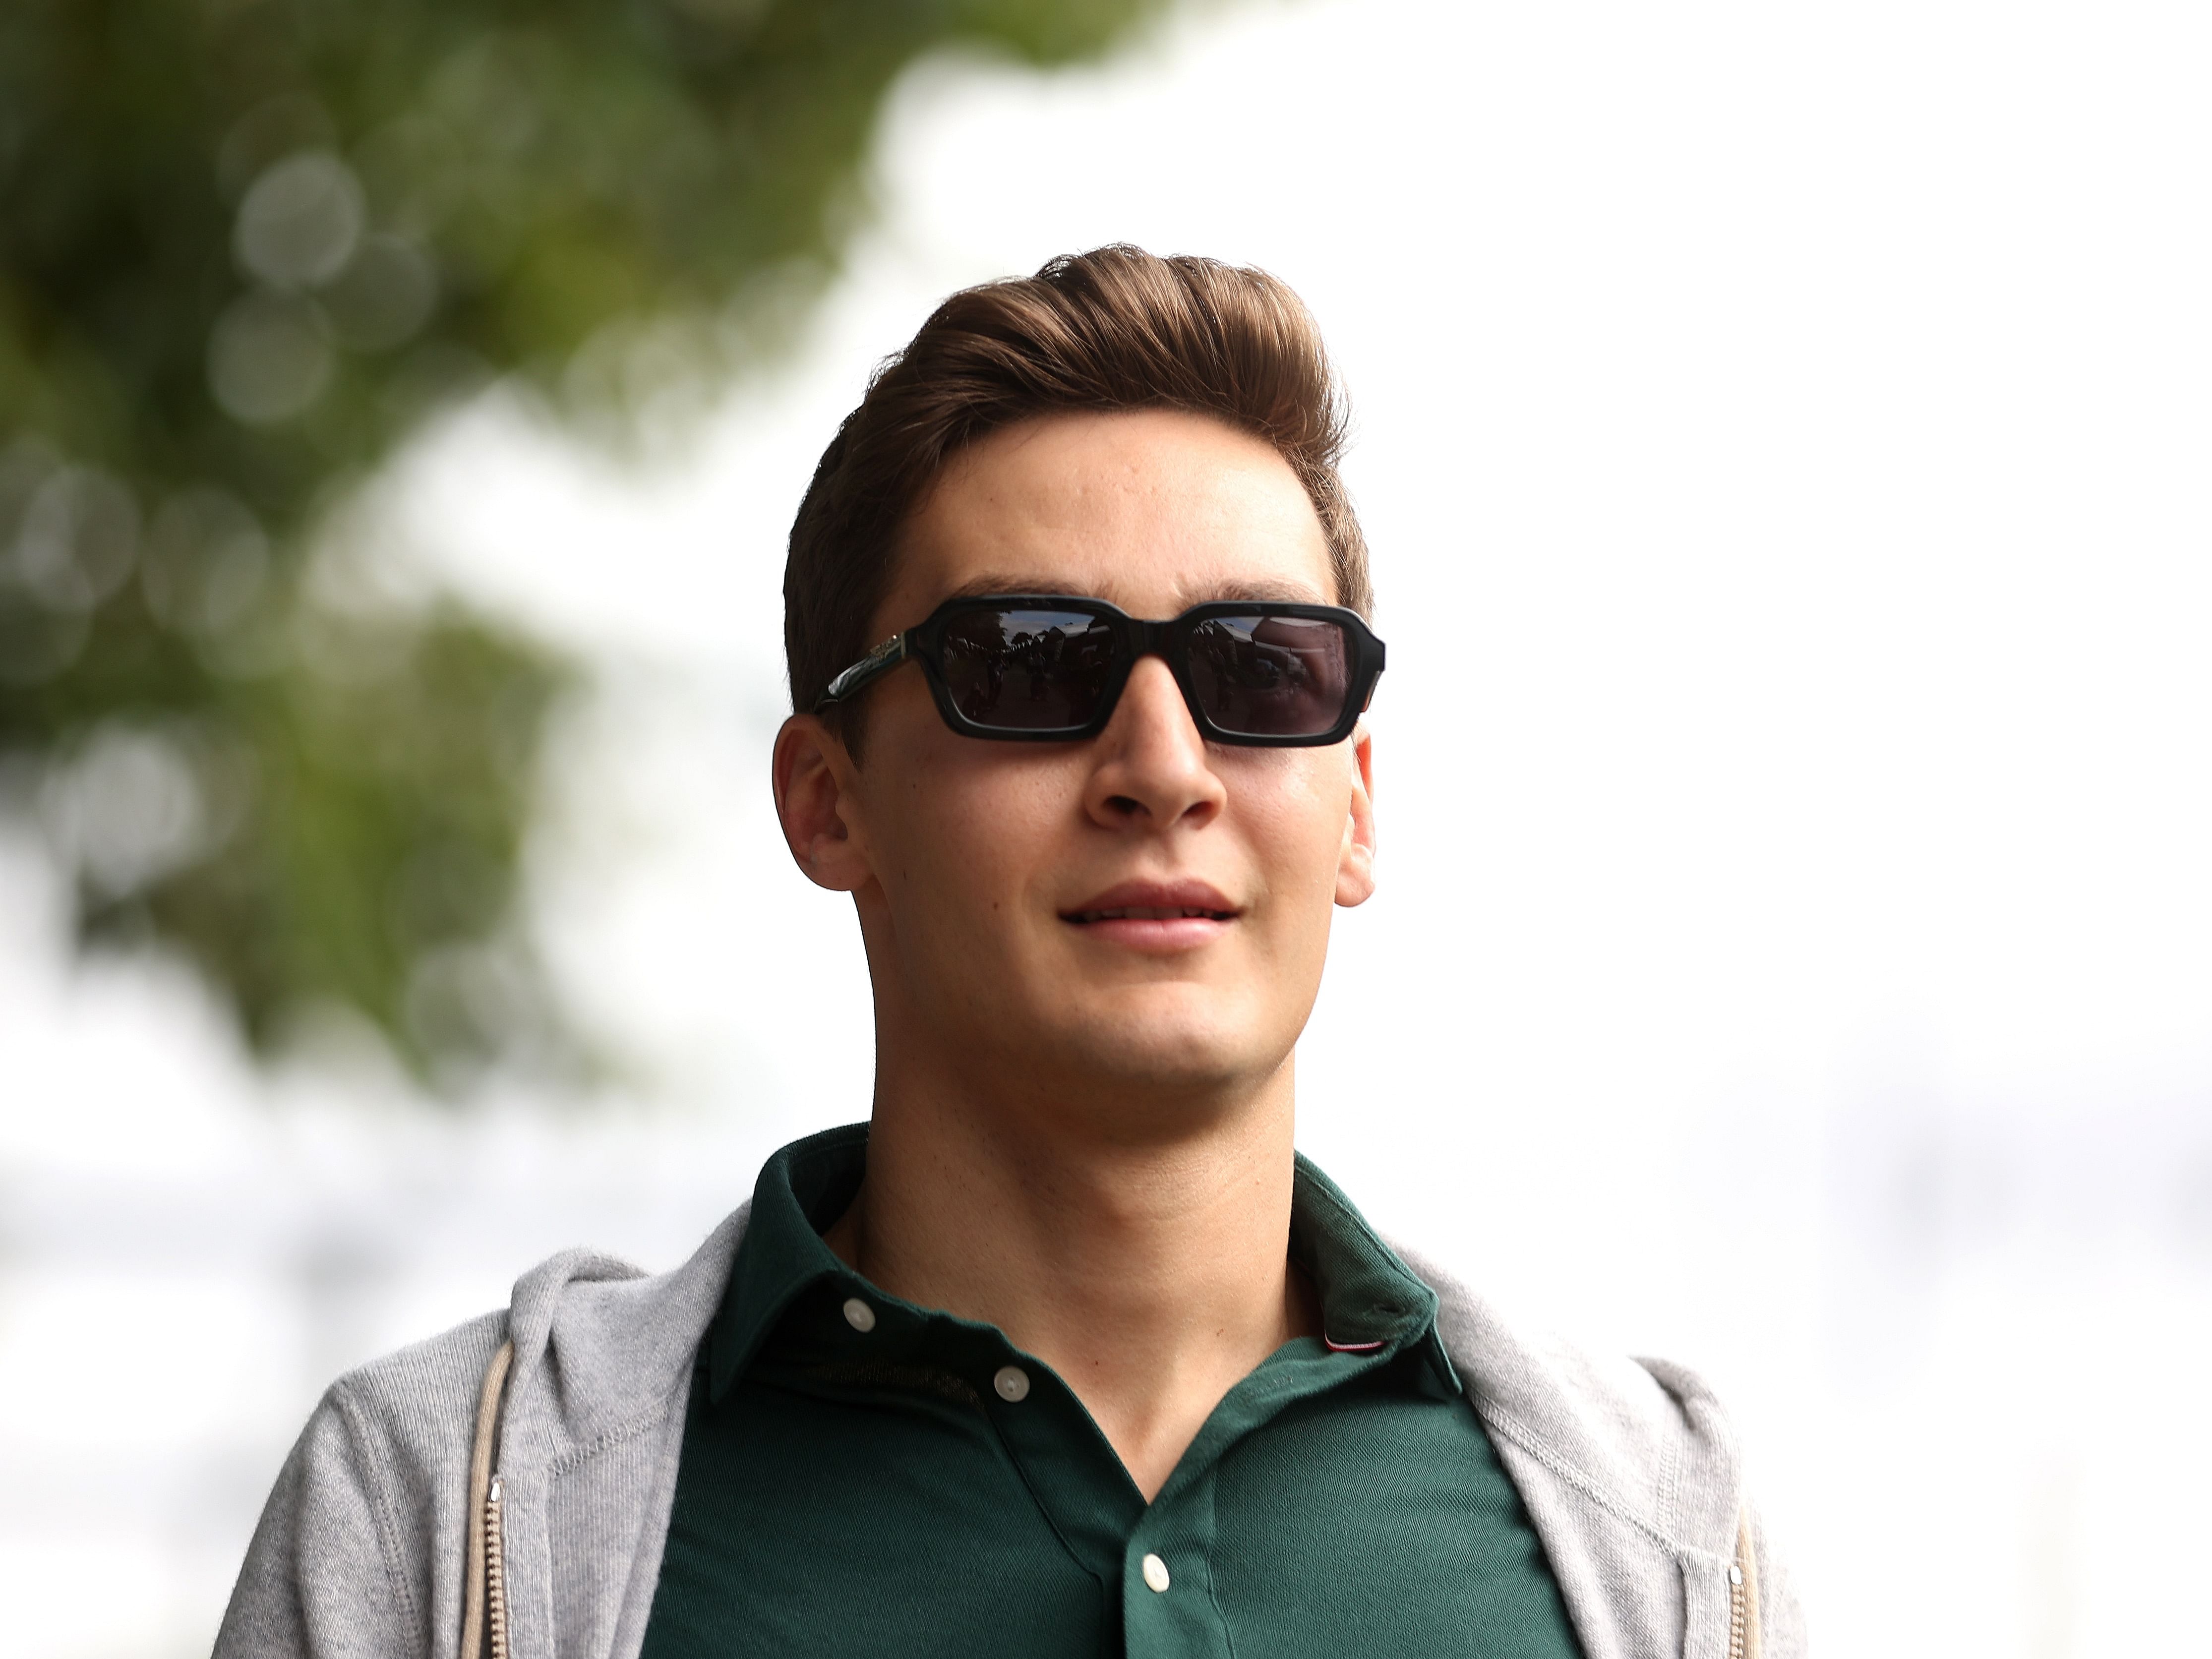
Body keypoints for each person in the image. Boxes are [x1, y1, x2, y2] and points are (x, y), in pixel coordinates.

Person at [215, 246, 1804, 1659]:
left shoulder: (1662, 1546)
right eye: (1033, 665)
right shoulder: (443, 1522)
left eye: (1262, 669)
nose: (1164, 763)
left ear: (1358, 809)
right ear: (828, 802)